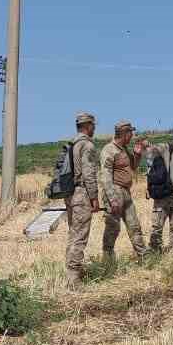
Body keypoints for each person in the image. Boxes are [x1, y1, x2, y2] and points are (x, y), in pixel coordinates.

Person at [100, 121, 147, 262]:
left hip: (126, 192)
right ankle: (108, 259)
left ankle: (144, 256)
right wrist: (112, 198)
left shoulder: (124, 149)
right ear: (124, 134)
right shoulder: (109, 150)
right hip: (115, 191)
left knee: (134, 226)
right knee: (113, 228)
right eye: (130, 133)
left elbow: (133, 167)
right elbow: (105, 176)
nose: (132, 136)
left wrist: (138, 155)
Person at [64, 112, 100, 287]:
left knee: (73, 234)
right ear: (88, 125)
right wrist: (94, 197)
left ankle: (71, 271)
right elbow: (89, 174)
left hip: (70, 194)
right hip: (82, 193)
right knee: (80, 236)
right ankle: (74, 278)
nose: (95, 128)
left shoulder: (72, 144)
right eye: (94, 125)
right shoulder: (87, 146)